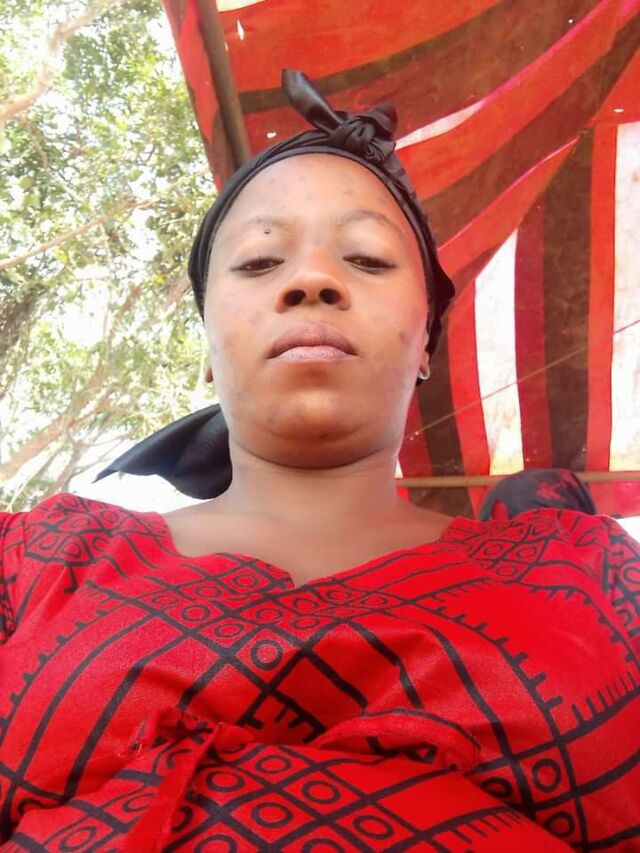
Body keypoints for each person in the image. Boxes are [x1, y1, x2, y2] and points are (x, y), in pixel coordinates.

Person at [1, 70, 638, 852]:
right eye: (259, 262)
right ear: (206, 342)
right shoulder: (39, 562)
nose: (312, 280)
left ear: (426, 340)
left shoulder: (585, 569)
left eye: (366, 258)